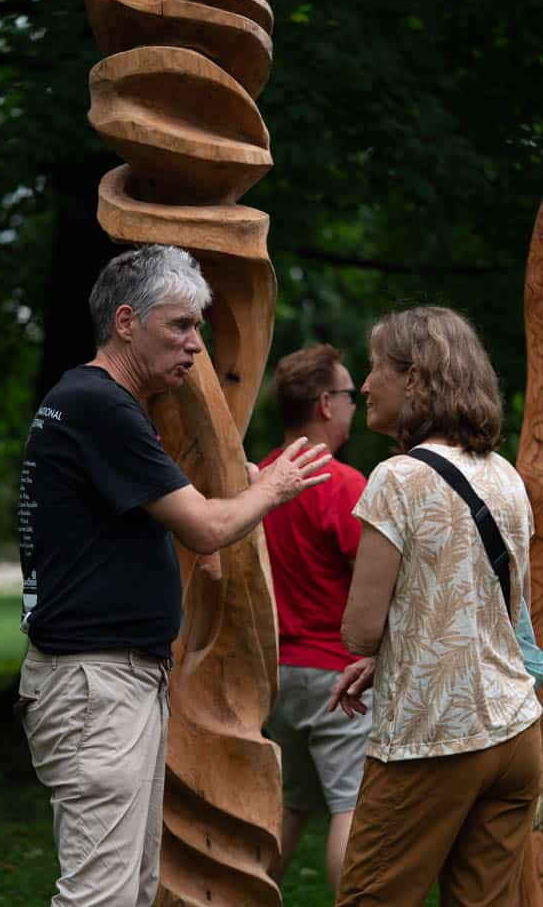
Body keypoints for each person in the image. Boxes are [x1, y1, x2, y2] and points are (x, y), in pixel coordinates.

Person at [16, 244, 331, 907]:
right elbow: (206, 528)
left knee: (128, 889)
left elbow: (188, 509)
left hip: (109, 679)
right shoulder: (101, 405)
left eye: (199, 328)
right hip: (96, 682)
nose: (196, 346)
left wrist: (237, 487)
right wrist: (272, 487)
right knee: (100, 895)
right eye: (180, 326)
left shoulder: (94, 404)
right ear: (126, 322)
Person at [329, 306, 542, 907]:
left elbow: (361, 631)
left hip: (433, 738)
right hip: (516, 736)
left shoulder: (396, 478)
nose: (367, 386)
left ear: (417, 379)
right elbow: (495, 614)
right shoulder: (504, 476)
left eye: (376, 370)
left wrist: (377, 648)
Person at [259, 344, 371, 893]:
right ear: (326, 404)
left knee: (290, 803)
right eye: (350, 395)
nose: (358, 403)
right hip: (341, 677)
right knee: (352, 806)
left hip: (279, 677)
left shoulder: (255, 482)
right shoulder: (346, 486)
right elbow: (379, 583)